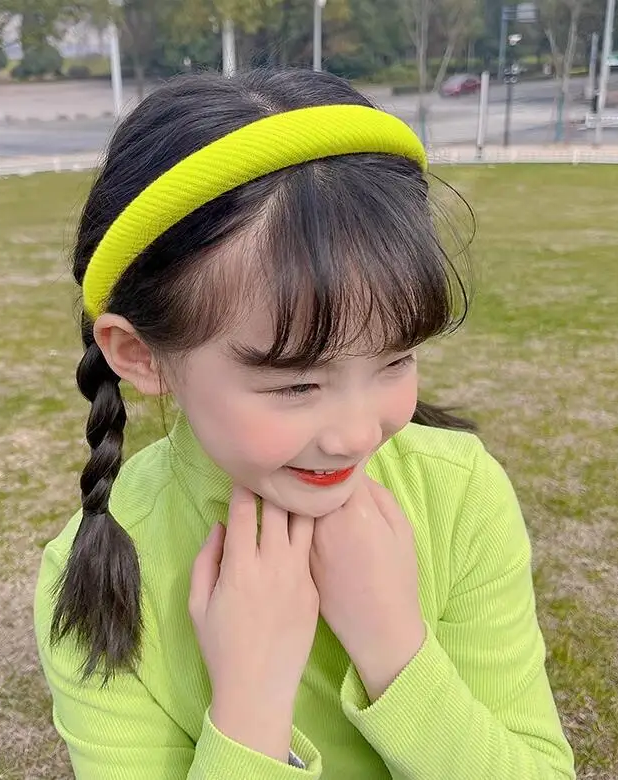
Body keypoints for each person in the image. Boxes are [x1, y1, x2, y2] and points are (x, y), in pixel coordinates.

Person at [34, 67, 576, 779]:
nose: (357, 435)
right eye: (296, 383)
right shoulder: (97, 576)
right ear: (140, 355)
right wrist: (250, 703)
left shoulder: (459, 493)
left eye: (396, 360)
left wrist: (395, 649)